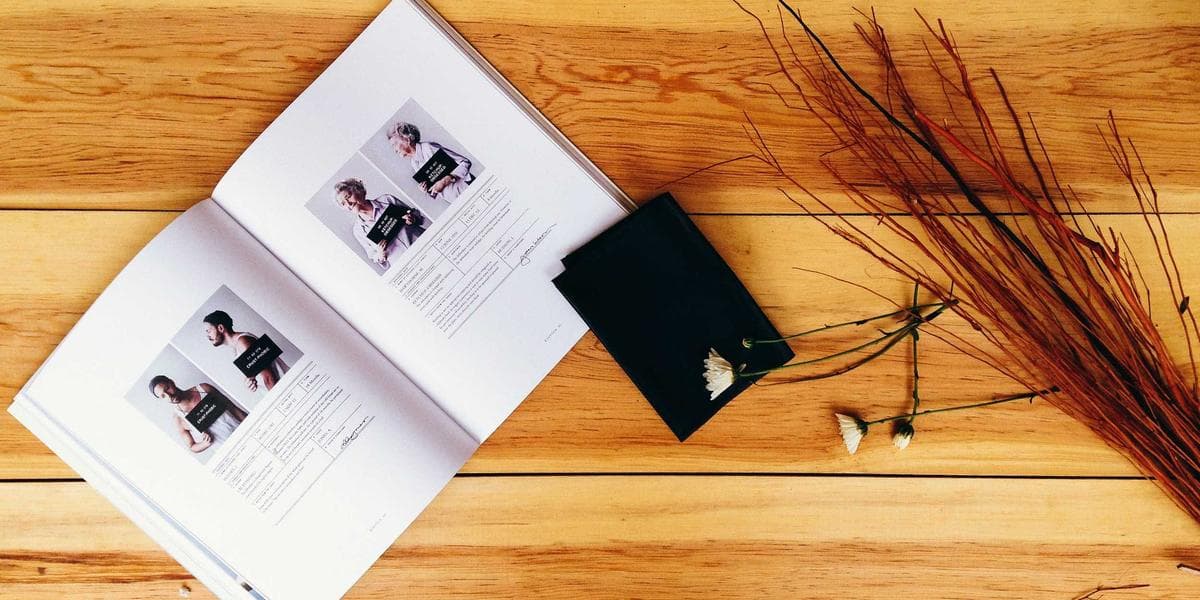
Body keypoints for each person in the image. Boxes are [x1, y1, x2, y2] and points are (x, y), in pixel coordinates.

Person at [333, 177, 430, 269]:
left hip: (425, 246)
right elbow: (373, 255)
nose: (348, 204)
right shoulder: (358, 230)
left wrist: (412, 218)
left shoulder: (387, 200)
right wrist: (380, 254)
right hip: (404, 265)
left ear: (358, 190)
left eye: (348, 196)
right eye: (343, 203)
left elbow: (416, 215)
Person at [148, 375, 247, 454]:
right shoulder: (178, 418)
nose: (169, 396)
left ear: (172, 382)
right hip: (228, 451)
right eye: (163, 396)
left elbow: (232, 407)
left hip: (244, 433)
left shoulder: (204, 389)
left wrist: (251, 422)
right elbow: (192, 446)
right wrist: (204, 444)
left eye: (167, 389)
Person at [386, 121, 475, 203]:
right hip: (455, 201)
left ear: (407, 140)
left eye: (395, 144)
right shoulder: (414, 163)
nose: (394, 150)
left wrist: (445, 180)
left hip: (470, 191)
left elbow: (465, 162)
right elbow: (435, 189)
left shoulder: (428, 148)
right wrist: (427, 189)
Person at [202, 310, 289, 392]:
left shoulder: (243, 342)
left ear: (220, 328)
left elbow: (268, 377)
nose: (207, 336)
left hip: (284, 388)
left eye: (208, 331)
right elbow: (261, 376)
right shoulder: (236, 348)